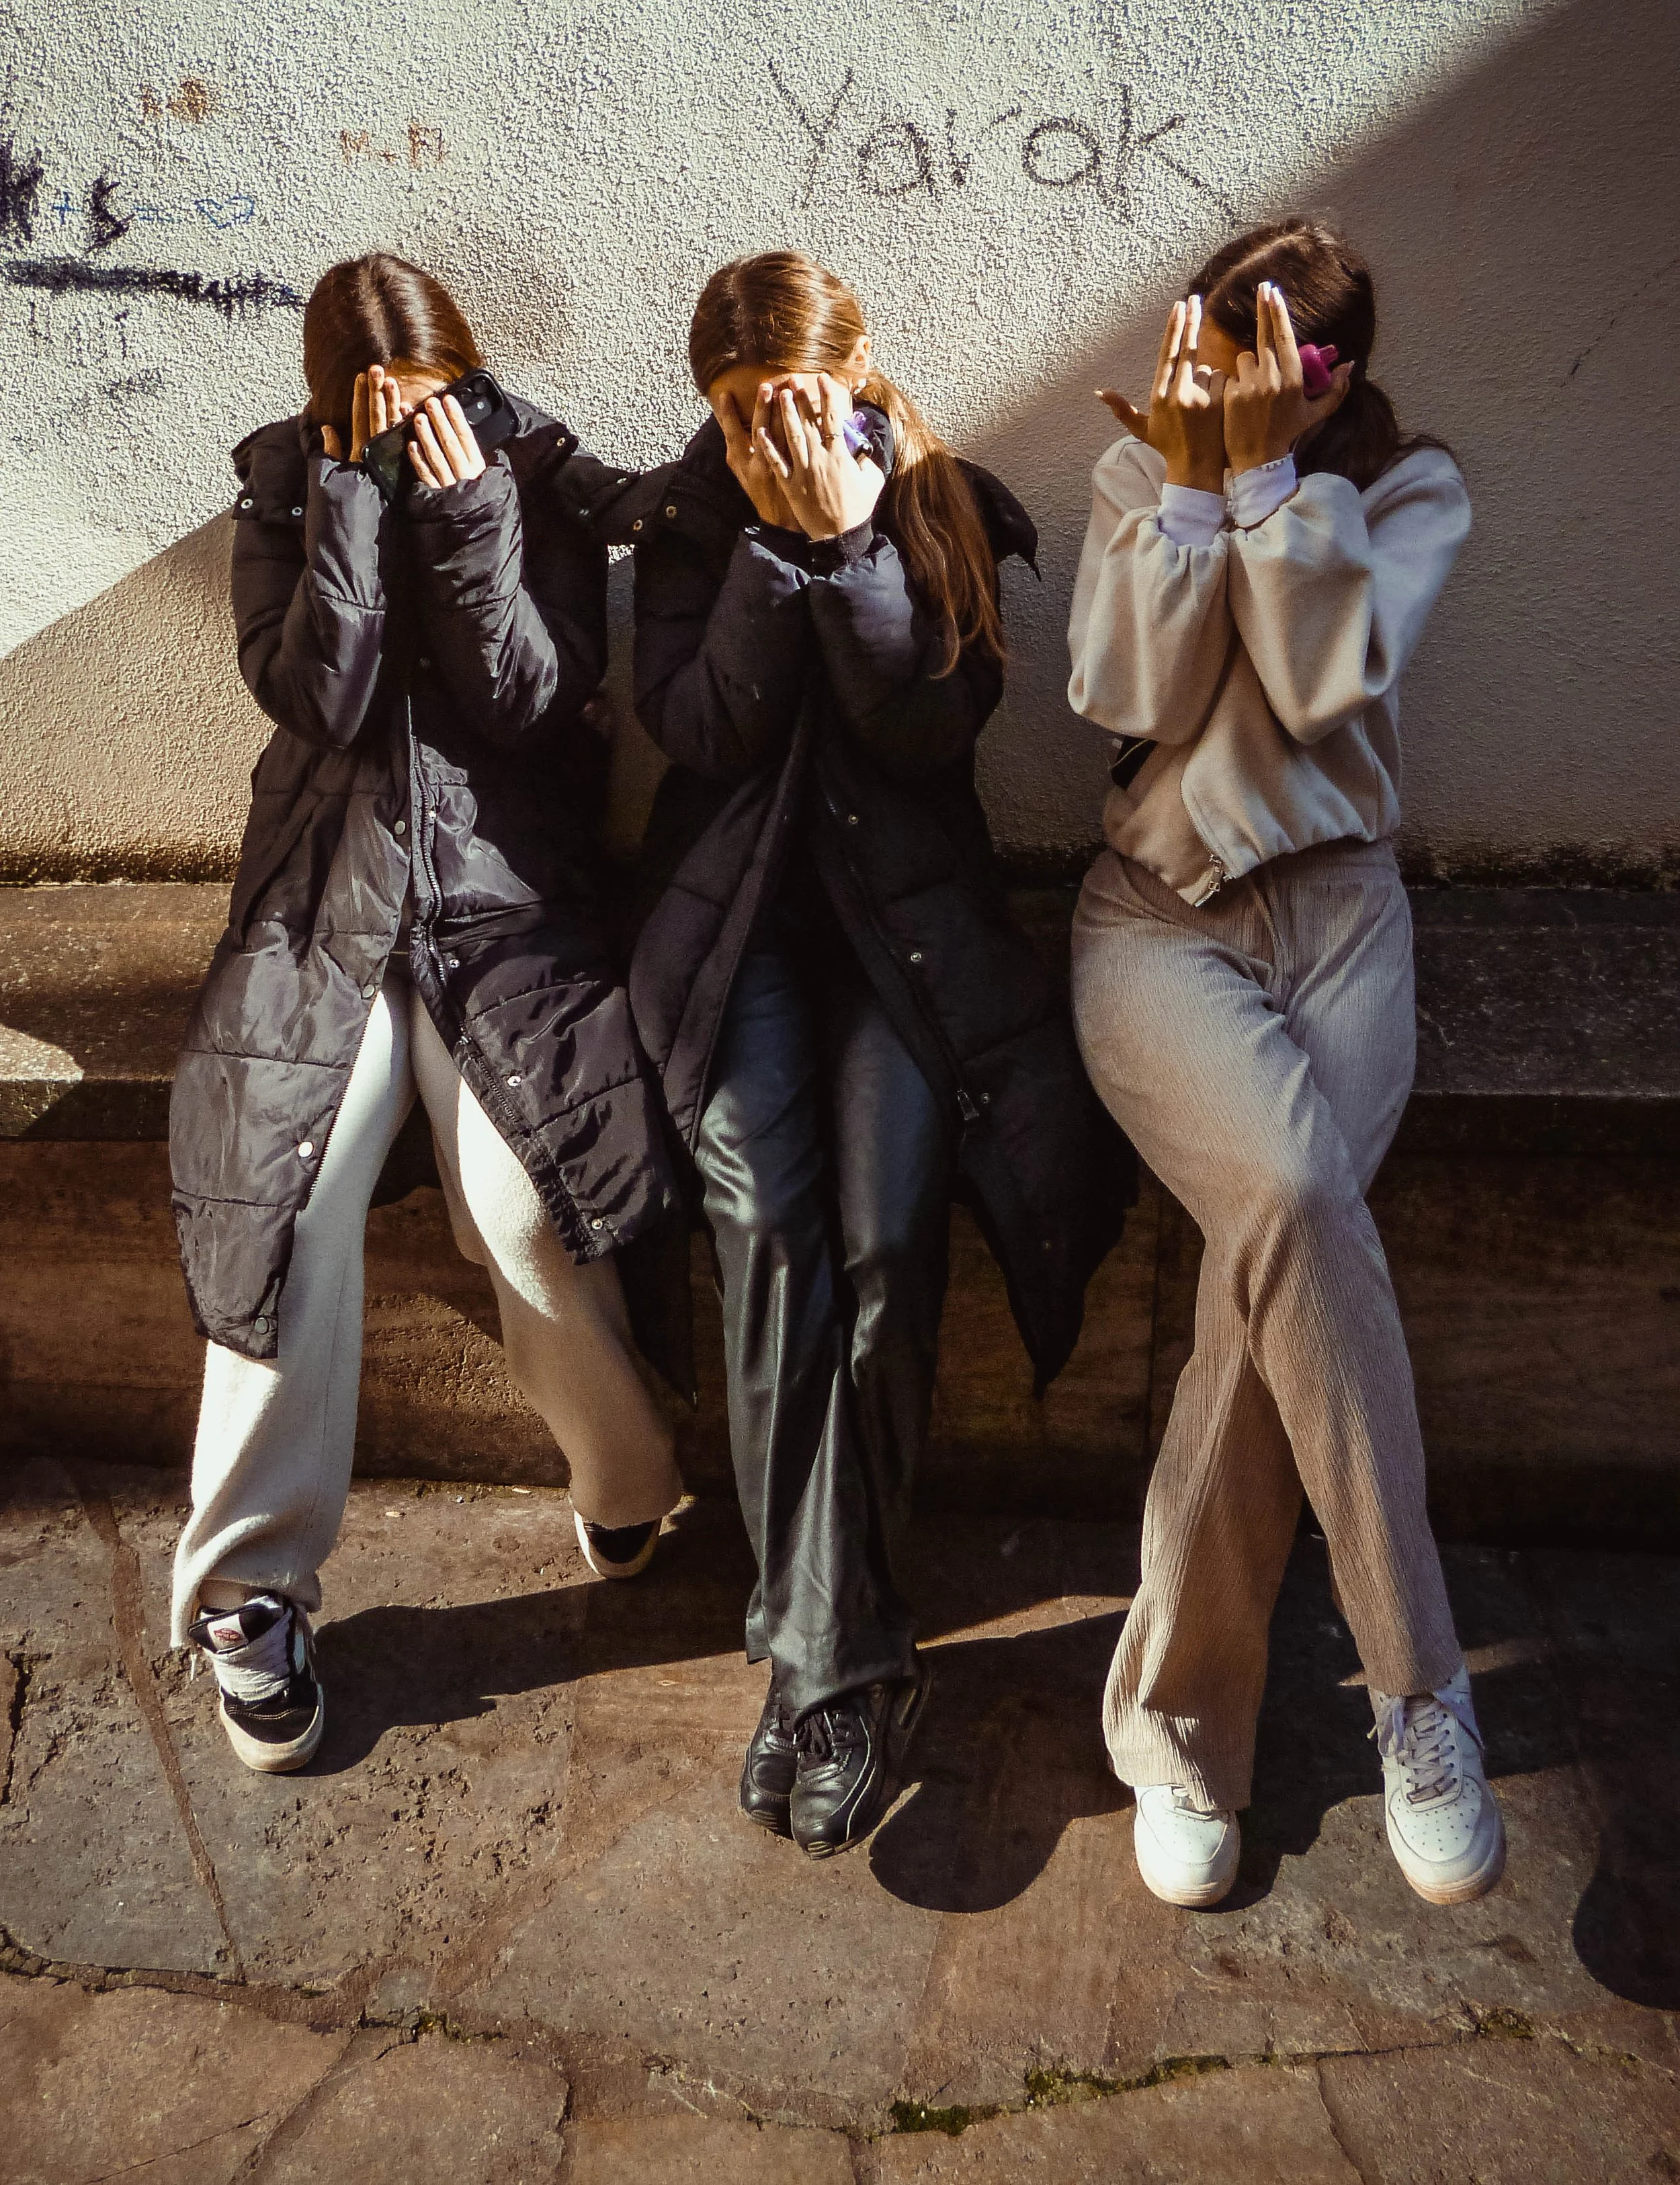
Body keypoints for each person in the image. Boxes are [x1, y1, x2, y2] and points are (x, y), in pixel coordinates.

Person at [607, 250, 1130, 1859]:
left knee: (891, 1240)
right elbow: (696, 731)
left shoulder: (939, 500)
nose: (768, 430)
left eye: (794, 401)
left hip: (907, 950)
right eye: (736, 412)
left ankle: (813, 1656)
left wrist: (851, 544)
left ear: (853, 374)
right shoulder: (690, 523)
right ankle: (844, 1665)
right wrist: (776, 551)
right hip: (741, 939)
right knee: (766, 1230)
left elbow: (926, 732)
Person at [169, 253, 686, 1774]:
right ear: (333, 402)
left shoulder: (533, 471)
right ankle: (248, 1595)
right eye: (381, 410)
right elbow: (312, 697)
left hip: (499, 904)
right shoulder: (281, 486)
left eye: (436, 398)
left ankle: (624, 1481)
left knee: (522, 1206)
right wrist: (346, 507)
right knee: (286, 1195)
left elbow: (532, 698)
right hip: (323, 904)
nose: (416, 427)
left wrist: (466, 521)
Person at [1067, 216, 1505, 1909]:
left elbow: (1323, 685)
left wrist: (1265, 490)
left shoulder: (1407, 491)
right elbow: (1131, 686)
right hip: (1155, 926)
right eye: (1211, 345)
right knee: (1298, 1188)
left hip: (1334, 919)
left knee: (1264, 1290)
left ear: (1326, 377)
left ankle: (1180, 1733)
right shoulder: (1129, 476)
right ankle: (1421, 1683)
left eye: (1266, 366)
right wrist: (1187, 488)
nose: (1223, 385)